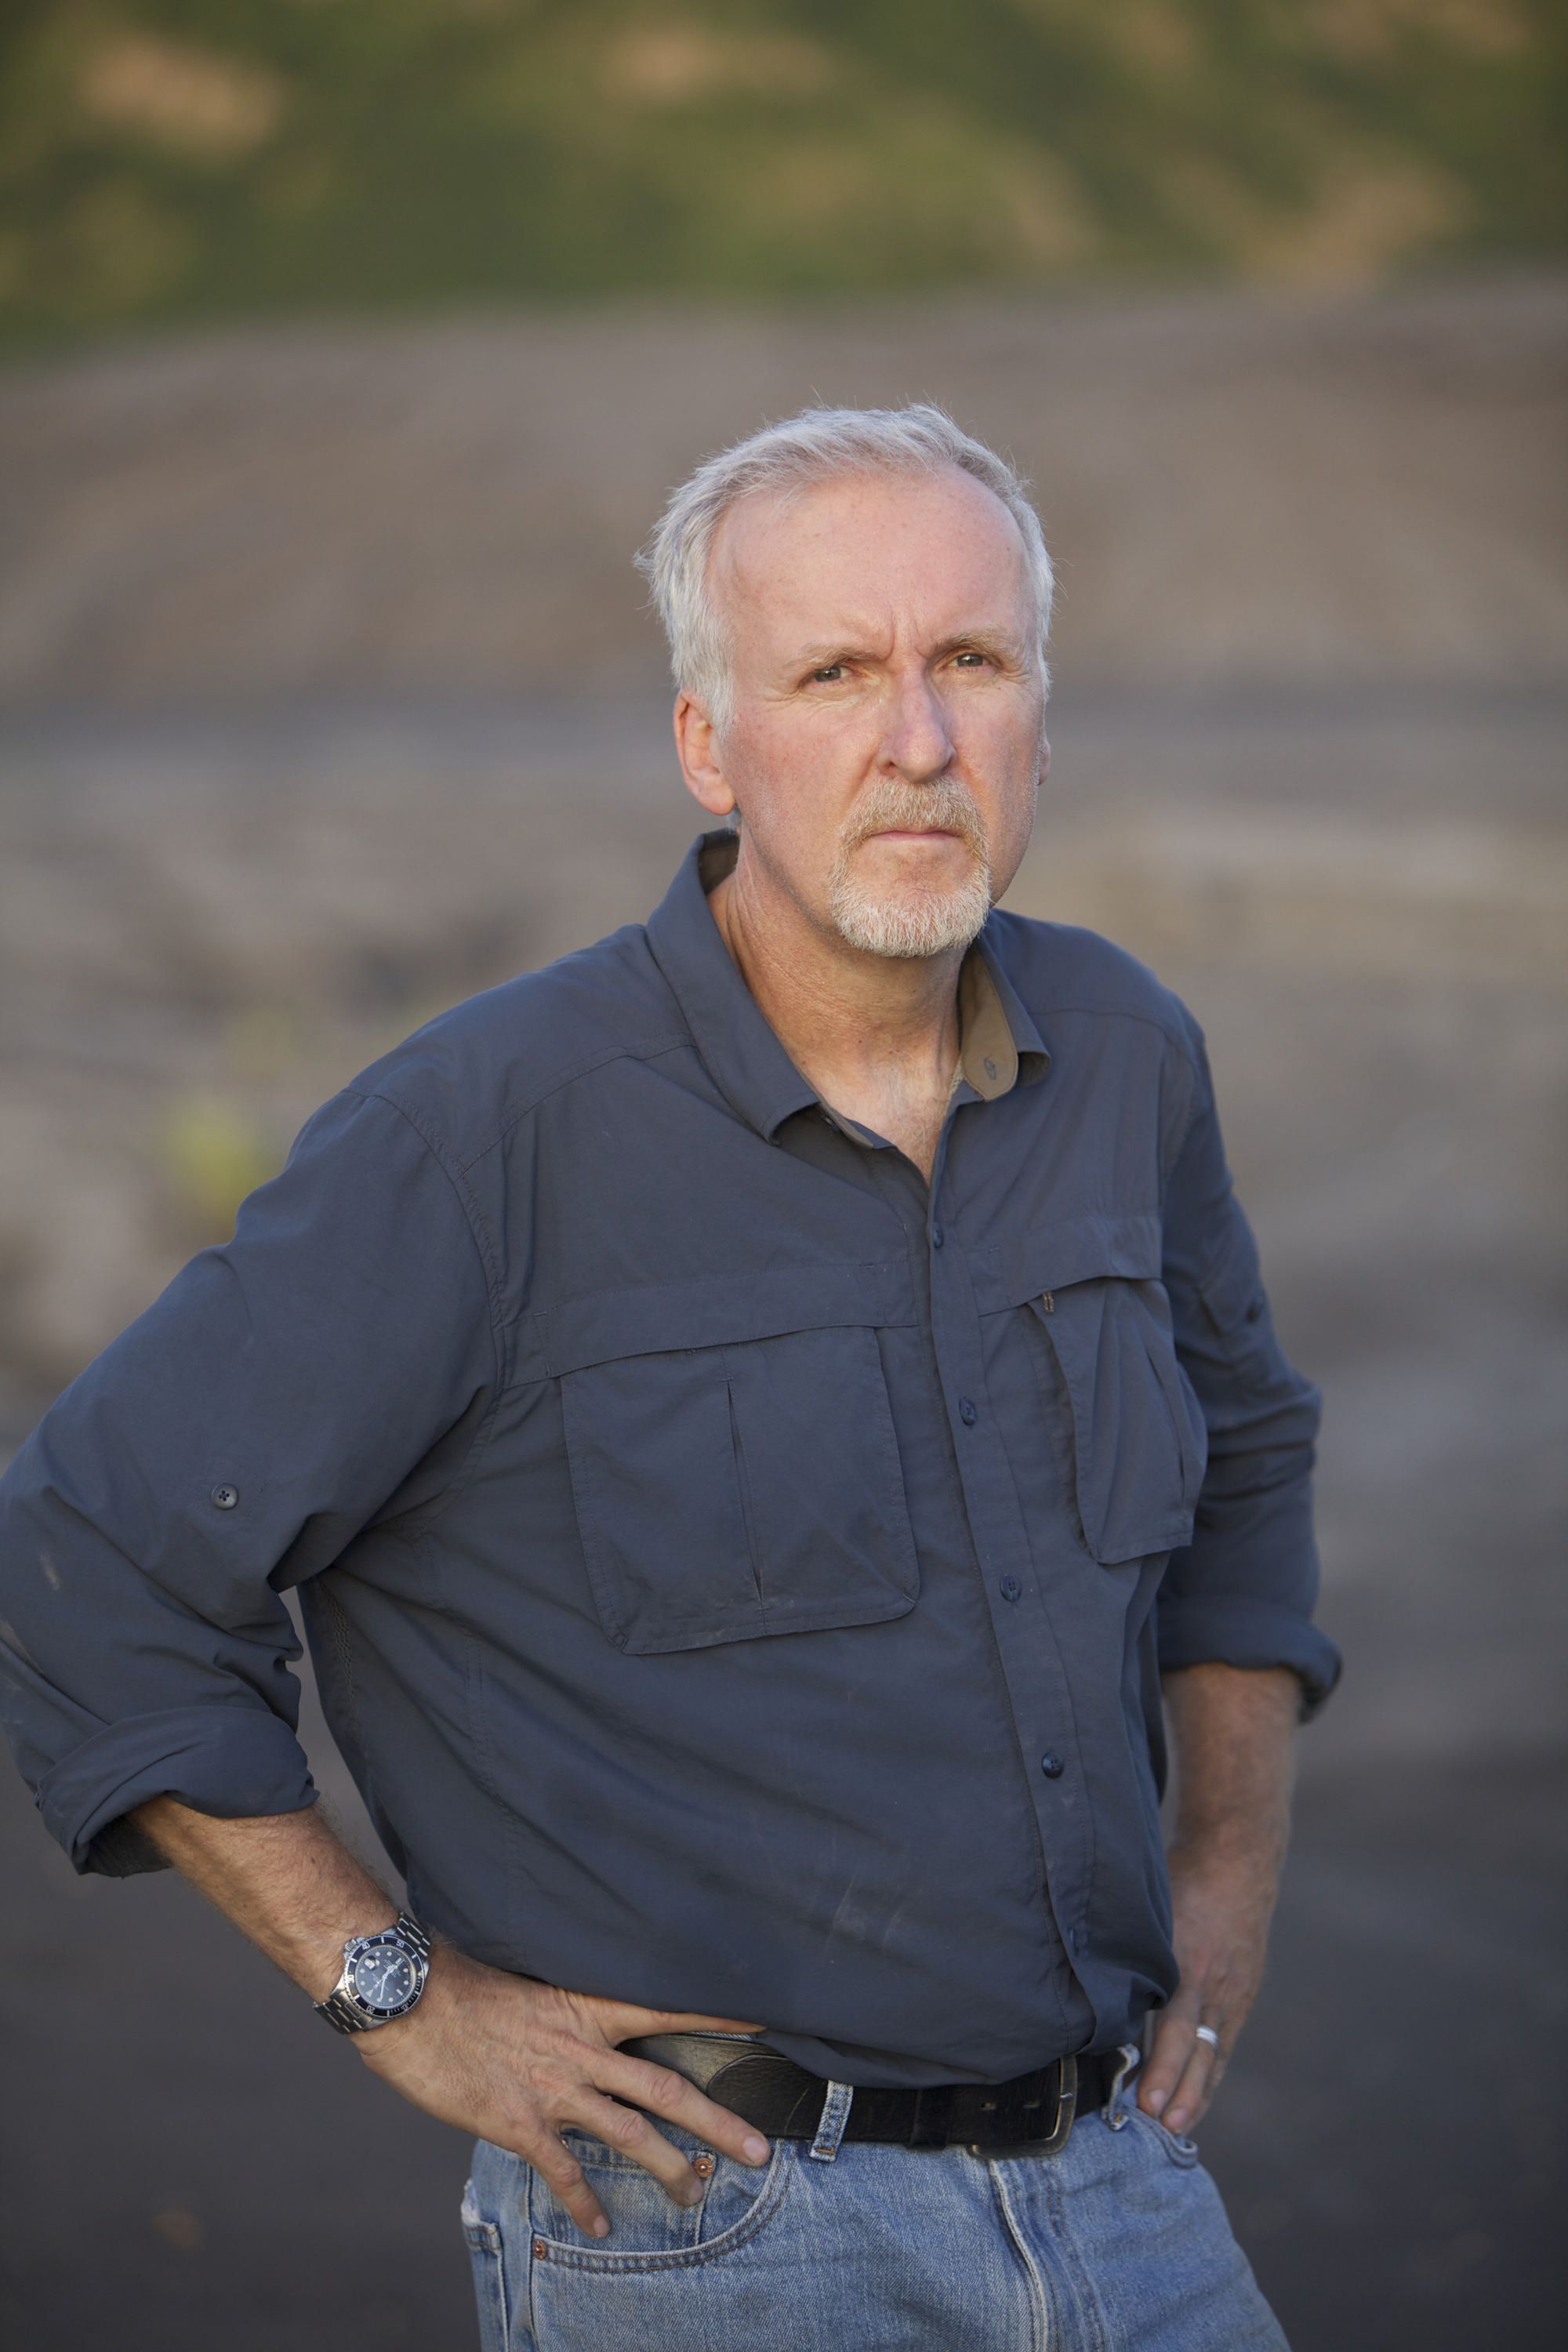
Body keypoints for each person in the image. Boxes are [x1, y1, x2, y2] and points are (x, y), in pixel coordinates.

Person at [0, 405, 1338, 2351]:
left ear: (1039, 714)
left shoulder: (1126, 1054)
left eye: (971, 661)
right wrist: (398, 1997)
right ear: (711, 744)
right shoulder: (486, 1131)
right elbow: (88, 1552)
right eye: (835, 674)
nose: (918, 740)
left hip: (1121, 2188)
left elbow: (1247, 1454)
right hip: (712, 2235)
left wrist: (1227, 1867)